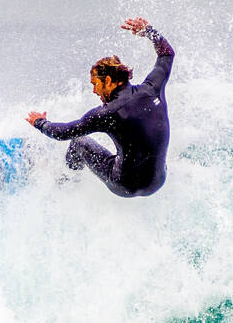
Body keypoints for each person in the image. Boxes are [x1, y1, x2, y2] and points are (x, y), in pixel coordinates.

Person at [26, 17, 174, 197]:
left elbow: (63, 133)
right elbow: (166, 54)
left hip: (124, 185)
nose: (95, 91)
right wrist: (149, 31)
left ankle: (64, 183)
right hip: (158, 181)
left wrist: (39, 122)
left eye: (95, 84)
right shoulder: (153, 88)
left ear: (109, 81)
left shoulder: (108, 113)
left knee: (79, 142)